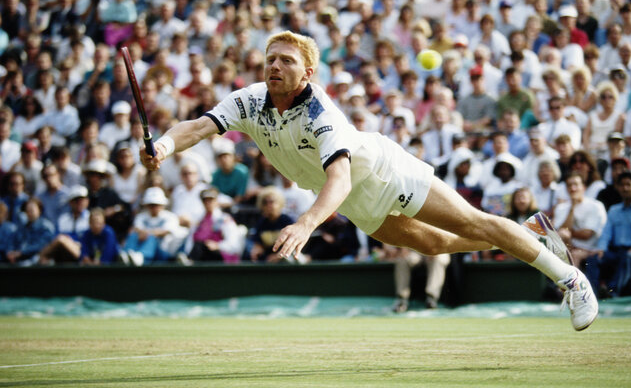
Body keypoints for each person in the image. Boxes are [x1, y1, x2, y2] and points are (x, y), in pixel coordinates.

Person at [141, 31, 598, 330]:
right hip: (354, 200)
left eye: (285, 60)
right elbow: (199, 127)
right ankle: (530, 233)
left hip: (380, 172)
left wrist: (305, 224)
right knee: (435, 245)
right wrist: (163, 146)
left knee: (473, 224)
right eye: (269, 59)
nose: (273, 66)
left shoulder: (321, 112)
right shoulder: (250, 100)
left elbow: (338, 177)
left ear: (308, 72)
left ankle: (571, 279)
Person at [593, 172, 631, 297]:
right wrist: (601, 249)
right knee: (594, 258)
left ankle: (611, 292)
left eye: (628, 184)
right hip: (616, 251)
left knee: (629, 257)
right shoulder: (614, 210)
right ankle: (591, 294)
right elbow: (606, 234)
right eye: (622, 185)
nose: (625, 188)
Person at [554, 173, 608, 269]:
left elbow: (586, 234)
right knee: (561, 236)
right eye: (569, 185)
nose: (572, 188)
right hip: (568, 246)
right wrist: (572, 209)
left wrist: (570, 233)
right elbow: (562, 232)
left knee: (574, 254)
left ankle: (571, 284)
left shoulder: (595, 205)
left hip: (590, 249)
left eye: (575, 185)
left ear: (583, 187)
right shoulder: (561, 208)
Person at [186, 187, 247, 263]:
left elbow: (234, 245)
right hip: (203, 258)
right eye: (205, 201)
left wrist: (218, 245)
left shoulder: (224, 219)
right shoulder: (198, 221)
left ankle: (189, 263)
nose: (208, 203)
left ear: (217, 201)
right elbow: (190, 243)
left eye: (211, 200)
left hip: (222, 257)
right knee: (198, 246)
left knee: (200, 246)